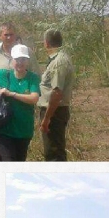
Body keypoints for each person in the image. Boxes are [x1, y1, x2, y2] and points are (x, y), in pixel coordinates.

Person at [0, 44, 40, 161]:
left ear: (27, 61)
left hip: (23, 130)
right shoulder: (4, 74)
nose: (20, 63)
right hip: (4, 129)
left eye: (23, 59)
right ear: (12, 60)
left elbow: (34, 98)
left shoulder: (32, 78)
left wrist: (11, 94)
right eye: (17, 59)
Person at [38, 29, 74, 161]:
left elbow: (57, 93)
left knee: (53, 153)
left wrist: (47, 119)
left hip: (54, 112)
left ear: (46, 43)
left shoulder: (58, 62)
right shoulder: (61, 58)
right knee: (55, 150)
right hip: (55, 111)